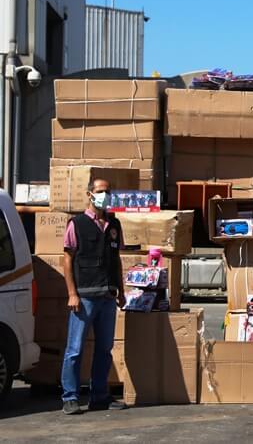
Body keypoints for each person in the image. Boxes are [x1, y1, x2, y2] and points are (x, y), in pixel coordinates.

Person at [60, 178, 127, 415]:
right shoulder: (77, 224)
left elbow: (116, 259)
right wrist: (72, 293)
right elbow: (67, 259)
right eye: (100, 191)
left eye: (108, 191)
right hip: (84, 297)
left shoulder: (114, 224)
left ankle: (100, 396)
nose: (105, 195)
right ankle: (70, 397)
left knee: (104, 349)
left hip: (107, 295)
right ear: (90, 194)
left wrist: (121, 290)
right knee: (75, 349)